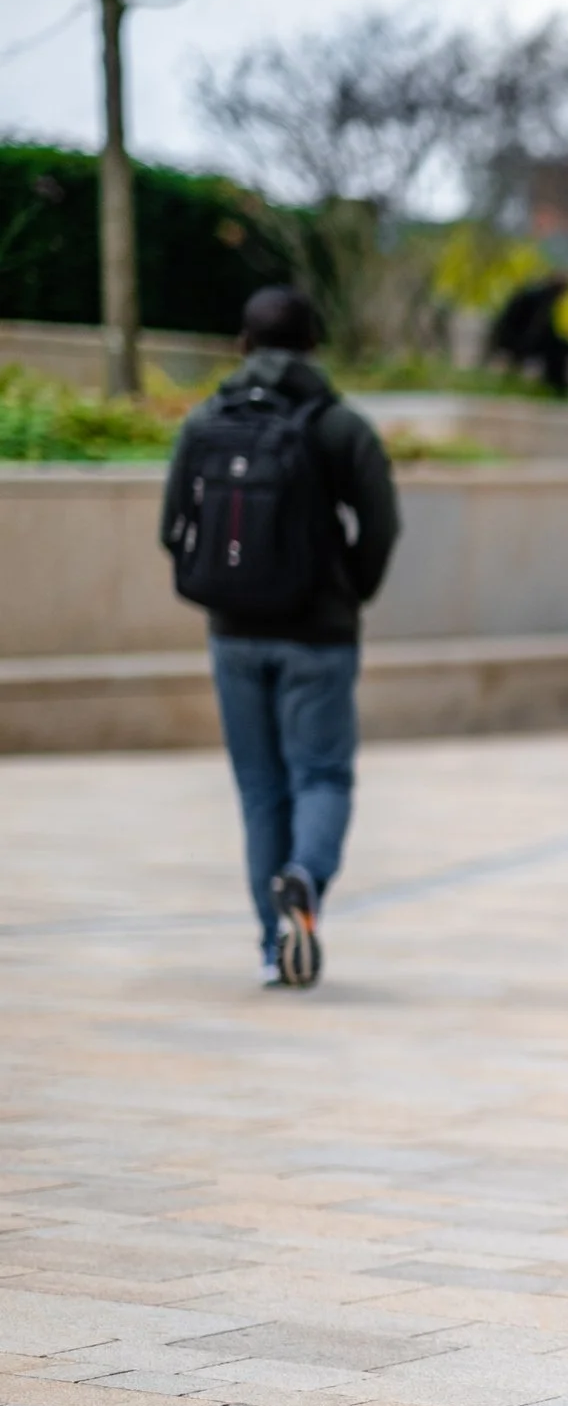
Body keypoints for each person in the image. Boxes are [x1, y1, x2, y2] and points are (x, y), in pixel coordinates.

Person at [160, 286, 399, 987]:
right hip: (318, 633)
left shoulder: (207, 419)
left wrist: (220, 587)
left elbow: (172, 526)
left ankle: (272, 947)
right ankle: (305, 877)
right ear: (314, 346)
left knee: (260, 789)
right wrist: (349, 589)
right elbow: (381, 524)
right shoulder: (340, 426)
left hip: (233, 631)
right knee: (321, 774)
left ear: (243, 342)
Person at [488, 273, 568, 397]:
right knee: (557, 352)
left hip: (520, 338)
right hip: (518, 338)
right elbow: (535, 326)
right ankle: (556, 389)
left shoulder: (540, 297)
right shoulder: (541, 299)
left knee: (560, 350)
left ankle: (553, 388)